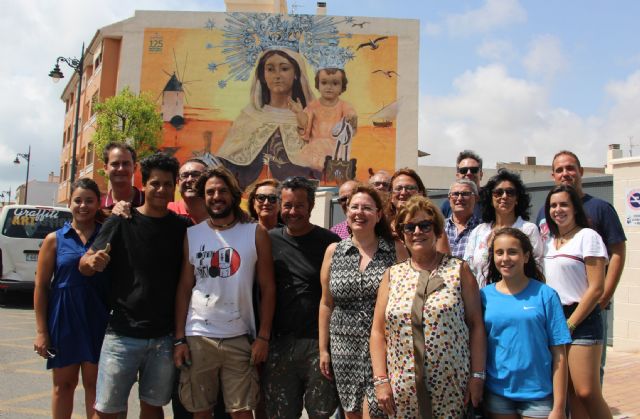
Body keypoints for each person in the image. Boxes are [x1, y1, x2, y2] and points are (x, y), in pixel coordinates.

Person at [79, 153, 189, 418]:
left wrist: (178, 336)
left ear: (174, 186)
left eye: (167, 184)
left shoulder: (183, 228)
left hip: (163, 338)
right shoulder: (121, 220)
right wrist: (93, 261)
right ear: (144, 183)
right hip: (121, 334)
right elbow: (84, 264)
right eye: (155, 183)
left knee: (153, 407)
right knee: (107, 410)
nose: (161, 189)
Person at [173, 167, 276, 418]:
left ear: (233, 194)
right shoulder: (193, 234)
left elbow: (268, 287)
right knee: (201, 412)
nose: (216, 196)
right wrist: (179, 339)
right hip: (198, 335)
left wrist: (263, 337)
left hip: (240, 336)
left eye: (222, 191)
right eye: (210, 192)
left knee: (242, 412)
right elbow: (185, 288)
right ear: (203, 197)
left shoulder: (255, 232)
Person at [370, 195, 485, 418]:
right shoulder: (392, 275)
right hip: (402, 390)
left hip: (451, 388)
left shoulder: (458, 270)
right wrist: (381, 380)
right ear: (402, 234)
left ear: (437, 230)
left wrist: (477, 375)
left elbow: (476, 325)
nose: (417, 232)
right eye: (409, 227)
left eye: (425, 225)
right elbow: (377, 331)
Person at [319, 185, 408, 418]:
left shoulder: (396, 250)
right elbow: (326, 303)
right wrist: (323, 349)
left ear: (379, 215)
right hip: (343, 347)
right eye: (354, 207)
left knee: (378, 411)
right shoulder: (333, 251)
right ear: (347, 213)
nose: (359, 212)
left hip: (383, 347)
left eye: (367, 208)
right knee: (351, 413)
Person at [536, 150, 626, 381]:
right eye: (559, 170)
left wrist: (603, 296)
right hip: (556, 311)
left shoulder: (600, 208)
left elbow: (617, 254)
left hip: (588, 305)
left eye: (570, 168)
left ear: (581, 172)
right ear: (553, 175)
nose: (565, 174)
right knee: (562, 380)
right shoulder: (544, 214)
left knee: (589, 380)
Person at [262, 176, 341, 419]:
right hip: (280, 343)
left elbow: (334, 296)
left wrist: (326, 345)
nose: (292, 211)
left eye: (299, 205)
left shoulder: (329, 243)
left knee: (321, 413)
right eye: (287, 205)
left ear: (310, 207)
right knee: (280, 414)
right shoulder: (268, 240)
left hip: (317, 345)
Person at [33, 178, 109, 419]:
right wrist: (42, 331)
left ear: (98, 203)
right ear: (69, 203)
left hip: (98, 318)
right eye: (78, 200)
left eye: (89, 201)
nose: (83, 206)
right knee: (63, 386)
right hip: (64, 318)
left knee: (95, 388)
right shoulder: (54, 239)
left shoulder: (107, 237)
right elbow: (42, 286)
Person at [482, 228, 570, 419]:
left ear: (526, 256)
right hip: (498, 394)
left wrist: (559, 407)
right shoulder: (484, 297)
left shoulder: (546, 295)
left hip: (539, 395)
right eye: (499, 252)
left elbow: (559, 355)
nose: (505, 258)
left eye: (512, 252)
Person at [542, 185, 613, 419]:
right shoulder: (550, 241)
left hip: (581, 318)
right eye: (553, 205)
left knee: (586, 391)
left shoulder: (587, 236)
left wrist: (570, 324)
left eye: (564, 204)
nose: (558, 209)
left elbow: (596, 288)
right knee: (570, 393)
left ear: (575, 209)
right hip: (555, 317)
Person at [215, 49, 319, 190]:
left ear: (296, 73)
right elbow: (228, 164)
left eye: (284, 68)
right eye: (270, 69)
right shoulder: (250, 116)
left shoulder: (310, 117)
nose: (277, 75)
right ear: (262, 76)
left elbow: (319, 165)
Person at [464, 169, 542, 288]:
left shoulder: (528, 230)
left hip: (518, 296)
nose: (504, 196)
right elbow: (467, 268)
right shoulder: (478, 232)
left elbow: (536, 266)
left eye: (510, 192)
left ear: (517, 199)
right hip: (481, 299)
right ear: (491, 198)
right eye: (498, 192)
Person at [295, 67, 357, 170]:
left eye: (335, 83)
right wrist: (299, 113)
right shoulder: (312, 106)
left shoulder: (344, 106)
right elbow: (304, 128)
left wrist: (351, 120)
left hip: (336, 148)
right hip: (315, 149)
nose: (329, 87)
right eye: (324, 83)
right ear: (318, 85)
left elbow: (351, 123)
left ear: (342, 87)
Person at [100, 142, 144, 210]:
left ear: (134, 168)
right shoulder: (99, 208)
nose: (121, 169)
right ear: (106, 168)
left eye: (126, 164)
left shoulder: (148, 202)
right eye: (115, 164)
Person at [441, 150, 484, 219]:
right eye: (463, 170)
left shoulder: (491, 202)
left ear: (481, 175)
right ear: (457, 176)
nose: (469, 173)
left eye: (474, 170)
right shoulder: (449, 204)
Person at [444, 179, 480, 258]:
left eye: (465, 194)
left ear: (476, 198)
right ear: (449, 198)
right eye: (455, 194)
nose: (460, 198)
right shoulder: (437, 227)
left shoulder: (483, 230)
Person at [168, 158, 209, 223]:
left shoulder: (220, 211)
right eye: (184, 176)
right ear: (178, 182)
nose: (189, 179)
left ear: (208, 180)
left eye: (196, 175)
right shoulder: (165, 211)